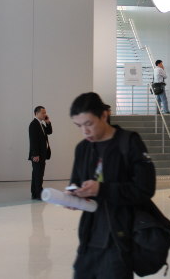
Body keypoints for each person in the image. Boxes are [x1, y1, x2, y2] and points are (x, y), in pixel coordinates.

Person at [67, 92, 155, 279]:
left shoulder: (129, 142)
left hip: (119, 237)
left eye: (89, 124)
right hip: (89, 238)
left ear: (104, 115)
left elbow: (145, 189)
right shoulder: (82, 149)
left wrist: (102, 188)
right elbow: (75, 182)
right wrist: (73, 196)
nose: (85, 131)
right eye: (78, 126)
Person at [28, 105, 52, 200]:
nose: (44, 114)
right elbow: (33, 141)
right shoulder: (33, 124)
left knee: (37, 174)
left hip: (42, 154)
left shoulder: (41, 124)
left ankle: (35, 193)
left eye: (45, 112)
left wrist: (48, 122)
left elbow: (49, 132)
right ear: (36, 113)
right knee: (38, 174)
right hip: (37, 155)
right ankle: (38, 194)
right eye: (43, 113)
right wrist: (35, 155)